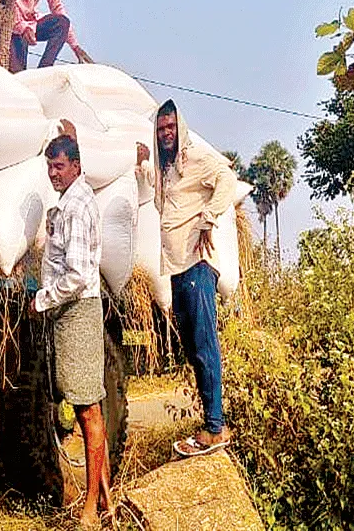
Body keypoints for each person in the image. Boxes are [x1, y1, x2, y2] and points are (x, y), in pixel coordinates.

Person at [138, 99, 237, 457]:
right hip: (178, 268)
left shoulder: (194, 157)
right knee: (194, 350)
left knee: (205, 345)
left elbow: (227, 178)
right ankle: (212, 424)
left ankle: (216, 427)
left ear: (180, 128)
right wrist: (142, 167)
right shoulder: (167, 169)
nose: (166, 134)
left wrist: (208, 216)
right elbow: (167, 200)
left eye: (171, 128)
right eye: (161, 128)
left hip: (197, 265)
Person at [33, 123, 111, 529]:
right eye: (49, 166)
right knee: (87, 406)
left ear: (76, 166)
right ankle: (107, 500)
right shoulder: (68, 204)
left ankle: (90, 511)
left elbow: (79, 274)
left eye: (59, 166)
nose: (53, 173)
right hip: (71, 313)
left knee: (87, 411)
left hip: (77, 310)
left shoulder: (78, 206)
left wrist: (42, 298)